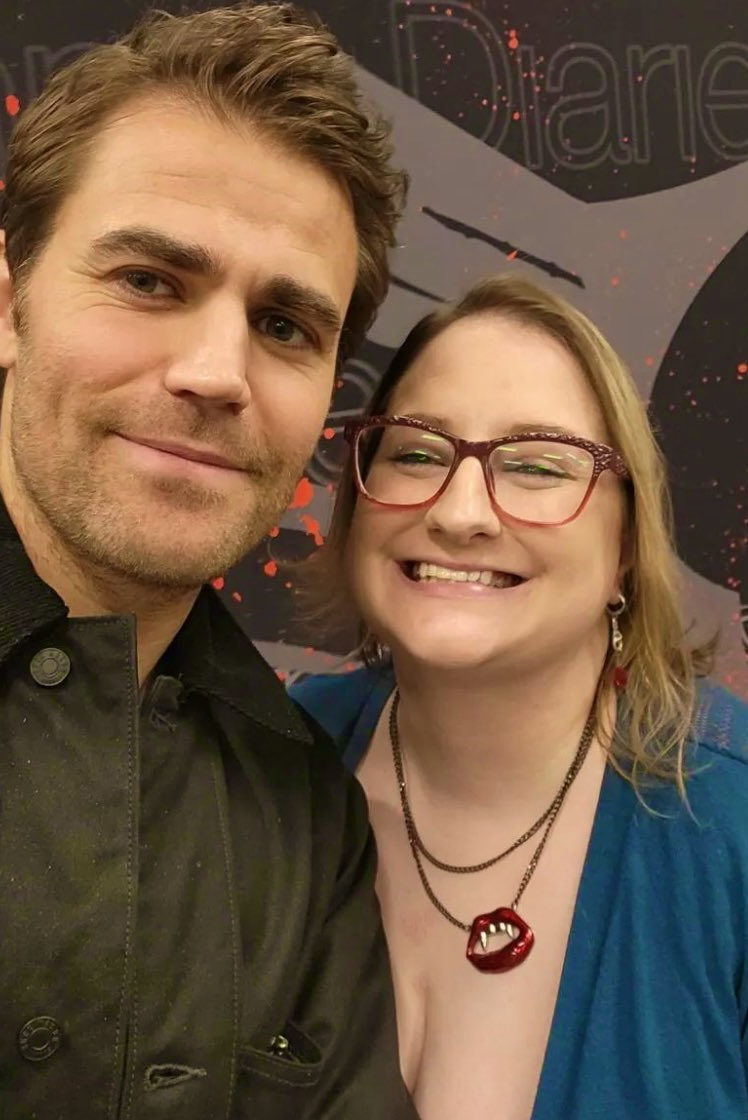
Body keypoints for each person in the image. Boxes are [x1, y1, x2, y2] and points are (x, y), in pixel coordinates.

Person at [0, 6, 415, 1118]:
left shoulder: (306, 815)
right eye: (150, 282)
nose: (217, 371)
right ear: (3, 299)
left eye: (283, 326)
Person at [291, 274, 748, 1120]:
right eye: (418, 452)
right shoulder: (265, 759)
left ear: (625, 548)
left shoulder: (735, 817)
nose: (461, 512)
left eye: (537, 466)